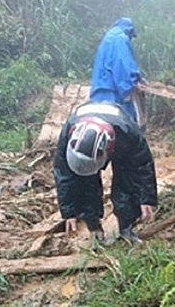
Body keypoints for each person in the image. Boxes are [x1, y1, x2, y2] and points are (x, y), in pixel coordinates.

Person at [53, 101, 157, 245]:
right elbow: (64, 176)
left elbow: (142, 166)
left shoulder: (129, 133)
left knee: (127, 180)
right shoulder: (68, 134)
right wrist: (69, 212)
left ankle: (126, 228)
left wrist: (146, 198)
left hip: (119, 136)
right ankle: (94, 228)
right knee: (85, 184)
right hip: (93, 127)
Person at [89, 17, 145, 125]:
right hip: (113, 93)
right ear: (129, 31)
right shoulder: (121, 39)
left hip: (98, 93)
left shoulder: (107, 39)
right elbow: (122, 65)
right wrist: (130, 86)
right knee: (127, 129)